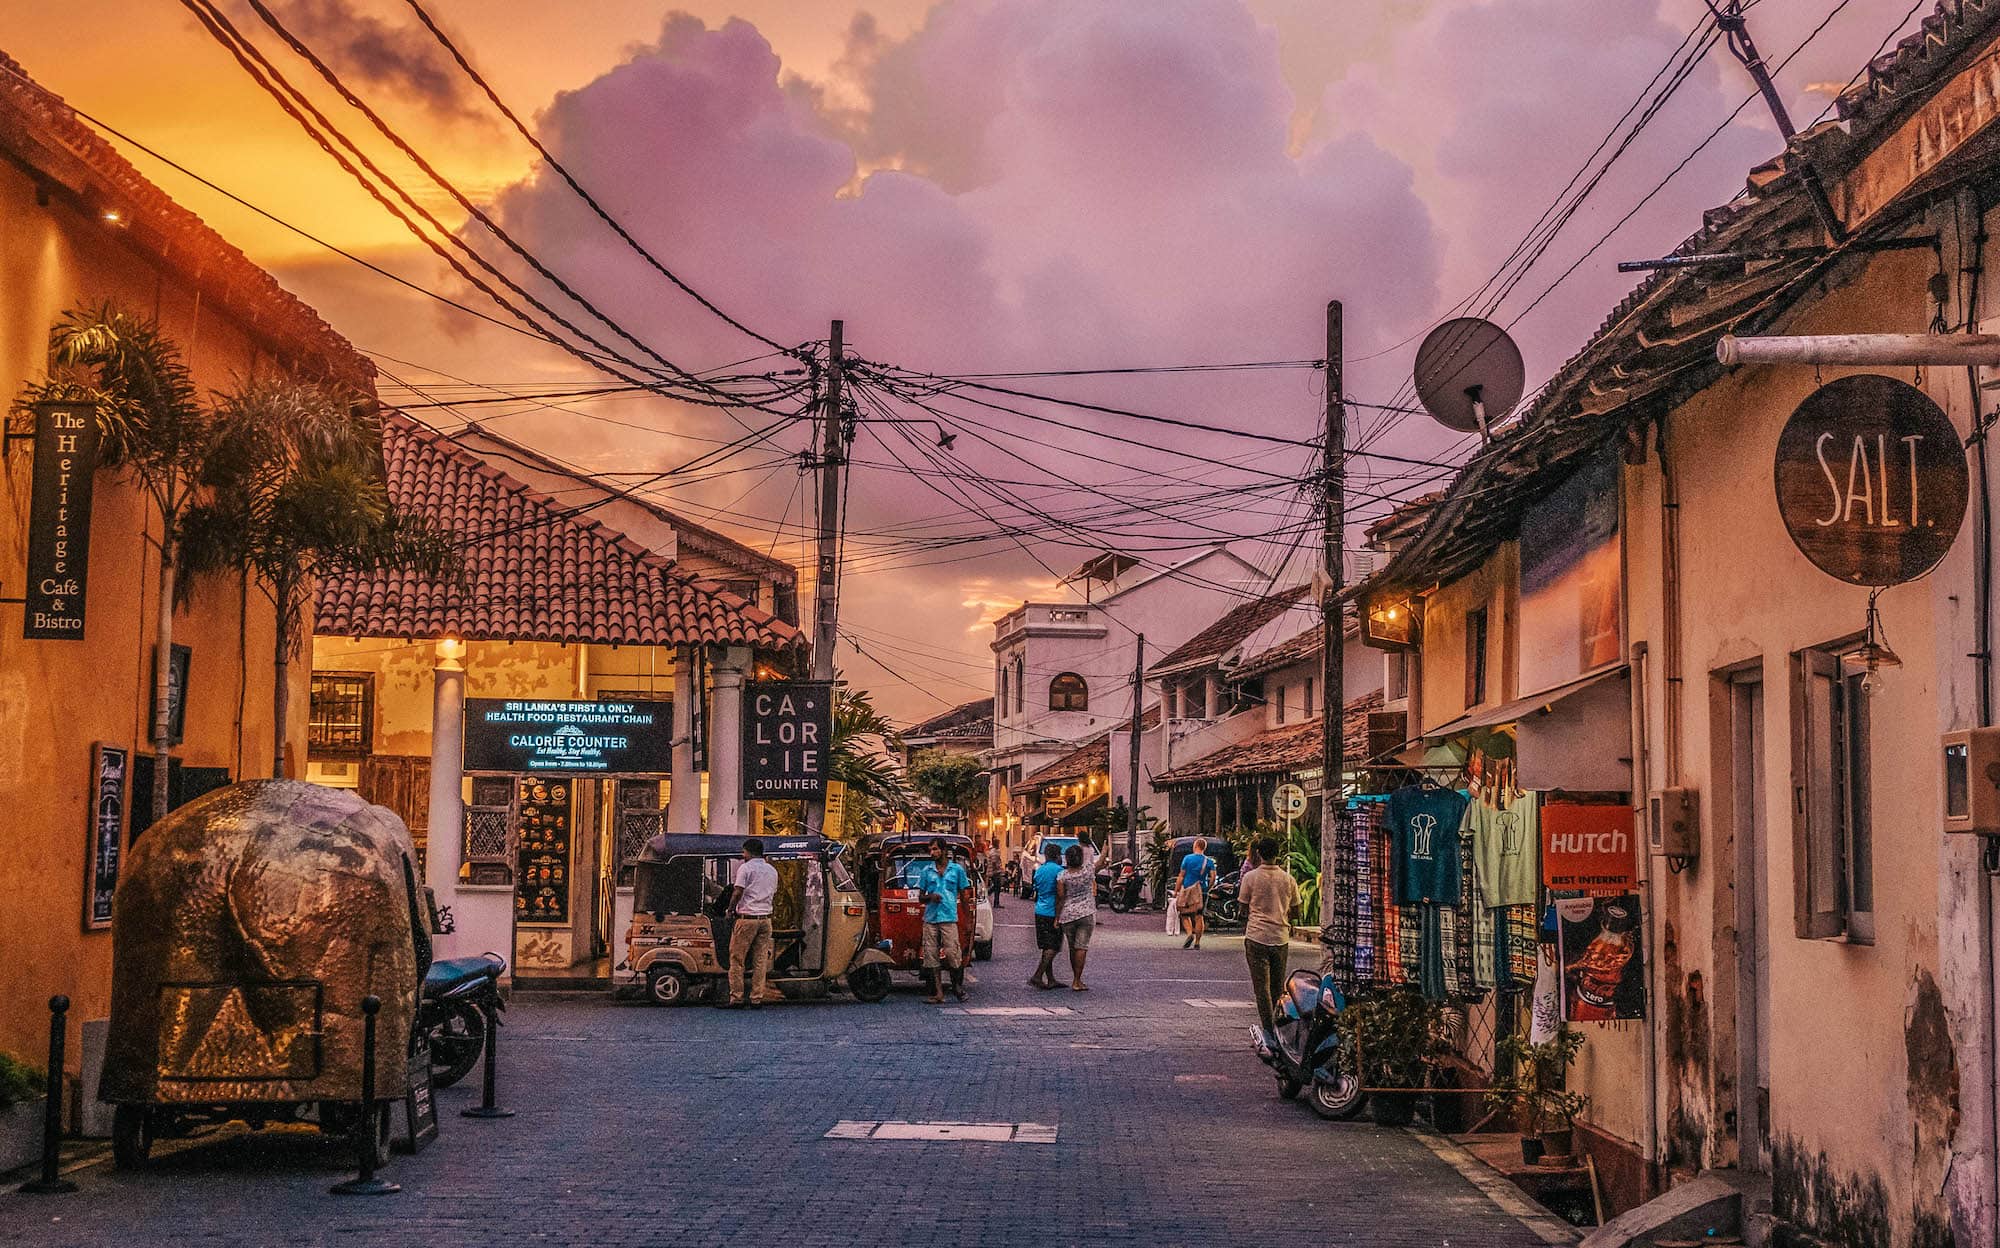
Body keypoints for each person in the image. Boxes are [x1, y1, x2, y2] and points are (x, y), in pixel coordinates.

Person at [1239, 835, 1299, 1038]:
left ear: (1259, 854)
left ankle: (1268, 1029)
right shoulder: (1288, 879)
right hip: (1280, 937)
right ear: (1278, 853)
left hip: (1256, 936)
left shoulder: (1250, 878)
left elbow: (1242, 907)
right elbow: (1296, 911)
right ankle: (1278, 1025)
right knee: (1277, 986)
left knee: (1261, 988)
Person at [722, 838, 778, 1009]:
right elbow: (773, 892)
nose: (742, 855)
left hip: (747, 919)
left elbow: (737, 891)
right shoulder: (772, 870)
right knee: (760, 960)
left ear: (749, 852)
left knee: (737, 958)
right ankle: (756, 998)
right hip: (765, 919)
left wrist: (730, 910)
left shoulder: (745, 868)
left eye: (743, 852)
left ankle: (737, 998)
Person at [914, 837, 972, 1003]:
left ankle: (957, 988)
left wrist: (967, 920)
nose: (932, 853)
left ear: (943, 850)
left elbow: (964, 895)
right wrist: (930, 897)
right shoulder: (926, 871)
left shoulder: (957, 870)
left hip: (949, 917)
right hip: (930, 919)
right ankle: (938, 992)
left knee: (953, 954)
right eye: (931, 850)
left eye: (935, 849)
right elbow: (920, 897)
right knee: (931, 956)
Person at [1054, 843, 1096, 992]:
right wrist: (1104, 850)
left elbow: (1060, 898)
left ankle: (1075, 978)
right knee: (1082, 947)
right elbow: (1102, 862)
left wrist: (1057, 917)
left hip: (1068, 914)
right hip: (1086, 912)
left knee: (1073, 948)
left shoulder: (1062, 876)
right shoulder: (1088, 871)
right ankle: (1077, 980)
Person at [1028, 841, 1067, 989]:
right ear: (1057, 856)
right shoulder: (1059, 871)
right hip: (1053, 911)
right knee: (1054, 946)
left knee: (1046, 946)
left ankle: (1050, 978)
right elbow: (1060, 894)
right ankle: (1037, 976)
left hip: (1040, 910)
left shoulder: (1039, 871)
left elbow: (1035, 889)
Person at [1178, 837, 1217, 950]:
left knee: (1184, 914)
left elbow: (1182, 875)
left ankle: (1190, 933)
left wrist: (1177, 890)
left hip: (1187, 889)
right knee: (1199, 916)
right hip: (1201, 890)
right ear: (1204, 848)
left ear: (1195, 846)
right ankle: (1197, 942)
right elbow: (1213, 877)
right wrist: (1208, 887)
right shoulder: (1209, 861)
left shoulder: (1187, 858)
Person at [983, 841, 1005, 910]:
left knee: (996, 886)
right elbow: (994, 862)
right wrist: (999, 870)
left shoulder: (994, 851)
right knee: (997, 887)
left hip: (994, 872)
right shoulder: (994, 852)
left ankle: (991, 897)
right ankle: (994, 901)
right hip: (995, 872)